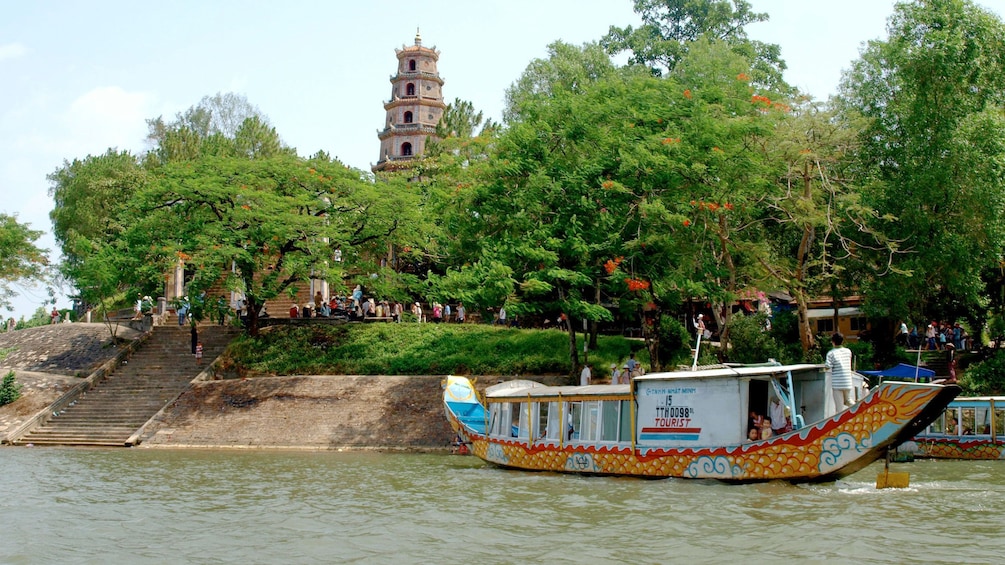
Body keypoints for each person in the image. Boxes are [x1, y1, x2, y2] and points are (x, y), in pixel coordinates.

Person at [825, 332, 854, 410]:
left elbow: (828, 366)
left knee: (839, 407)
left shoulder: (831, 353)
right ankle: (858, 409)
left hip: (837, 383)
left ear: (833, 342)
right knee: (848, 401)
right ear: (842, 341)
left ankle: (838, 420)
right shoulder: (848, 351)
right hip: (847, 381)